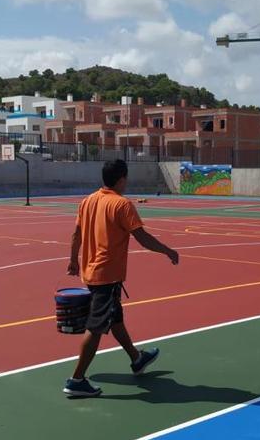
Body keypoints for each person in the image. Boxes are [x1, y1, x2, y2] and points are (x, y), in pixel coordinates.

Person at [64, 159, 179, 397]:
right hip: (106, 274)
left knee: (114, 317)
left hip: (91, 271)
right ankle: (76, 380)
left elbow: (76, 234)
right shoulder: (122, 204)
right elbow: (142, 237)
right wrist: (167, 251)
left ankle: (137, 358)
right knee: (96, 327)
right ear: (121, 179)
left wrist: (73, 260)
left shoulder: (87, 201)